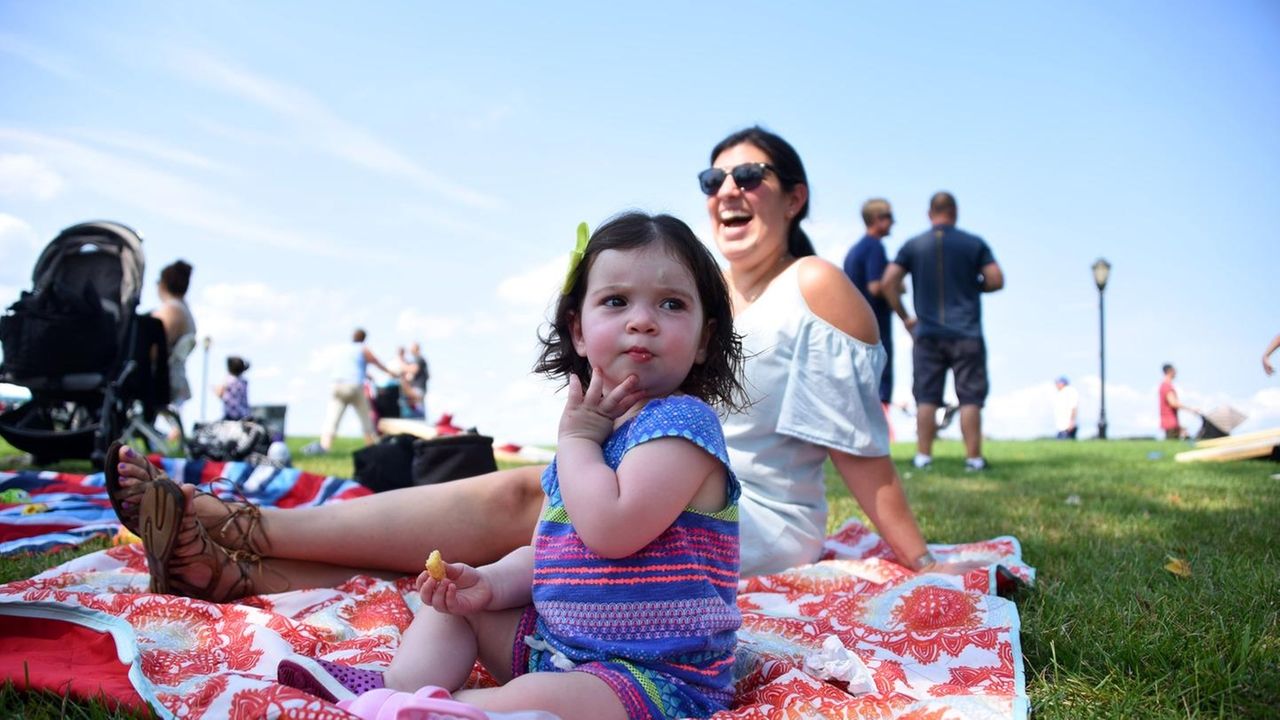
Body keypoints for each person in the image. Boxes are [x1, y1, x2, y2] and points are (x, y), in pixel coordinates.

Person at [103, 125, 959, 607]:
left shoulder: (815, 286)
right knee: (535, 509)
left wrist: (917, 561)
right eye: (714, 176)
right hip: (648, 480)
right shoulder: (693, 303)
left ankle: (242, 524)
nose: (729, 190)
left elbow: (861, 449)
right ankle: (244, 573)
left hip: (751, 515)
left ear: (794, 196)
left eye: (752, 174)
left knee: (529, 499)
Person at [276, 212, 746, 719]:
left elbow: (610, 530)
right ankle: (399, 685)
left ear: (703, 339)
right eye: (615, 301)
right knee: (452, 610)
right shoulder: (590, 442)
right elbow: (553, 550)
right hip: (556, 649)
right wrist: (489, 583)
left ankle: (439, 708)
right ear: (579, 330)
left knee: (534, 702)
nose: (642, 320)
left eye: (671, 304)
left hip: (654, 682)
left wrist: (577, 441)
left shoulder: (682, 425)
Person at [881, 192, 1004, 472]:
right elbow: (996, 279)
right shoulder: (973, 243)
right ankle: (973, 459)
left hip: (927, 333)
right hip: (967, 331)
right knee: (970, 398)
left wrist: (905, 318)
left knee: (926, 398)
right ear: (955, 212)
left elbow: (889, 281)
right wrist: (976, 285)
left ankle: (923, 457)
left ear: (930, 213)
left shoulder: (914, 245)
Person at [843, 198, 896, 426]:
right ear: (877, 219)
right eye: (889, 218)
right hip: (875, 326)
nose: (893, 223)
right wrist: (896, 286)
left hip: (853, 328)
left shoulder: (855, 250)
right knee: (879, 381)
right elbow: (876, 286)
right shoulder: (875, 247)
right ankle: (883, 430)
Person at [308, 329, 393, 453]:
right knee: (366, 419)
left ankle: (324, 447)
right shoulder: (362, 348)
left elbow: (350, 367)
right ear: (364, 338)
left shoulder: (343, 349)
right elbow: (376, 362)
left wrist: (366, 374)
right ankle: (372, 449)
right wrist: (390, 372)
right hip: (354, 386)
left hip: (337, 385)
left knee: (332, 419)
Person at [152, 260, 196, 410]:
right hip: (175, 377)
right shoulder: (183, 309)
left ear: (163, 284)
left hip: (161, 379)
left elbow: (153, 350)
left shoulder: (171, 310)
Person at [1159, 363, 1197, 439]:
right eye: (1174, 370)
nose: (1176, 373)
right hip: (1170, 423)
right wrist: (1191, 409)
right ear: (1170, 371)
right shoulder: (1167, 386)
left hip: (1171, 422)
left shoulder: (1165, 385)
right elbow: (1173, 403)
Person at [215, 356, 251, 421]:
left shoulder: (228, 380)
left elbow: (220, 393)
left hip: (231, 415)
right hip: (244, 415)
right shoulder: (243, 381)